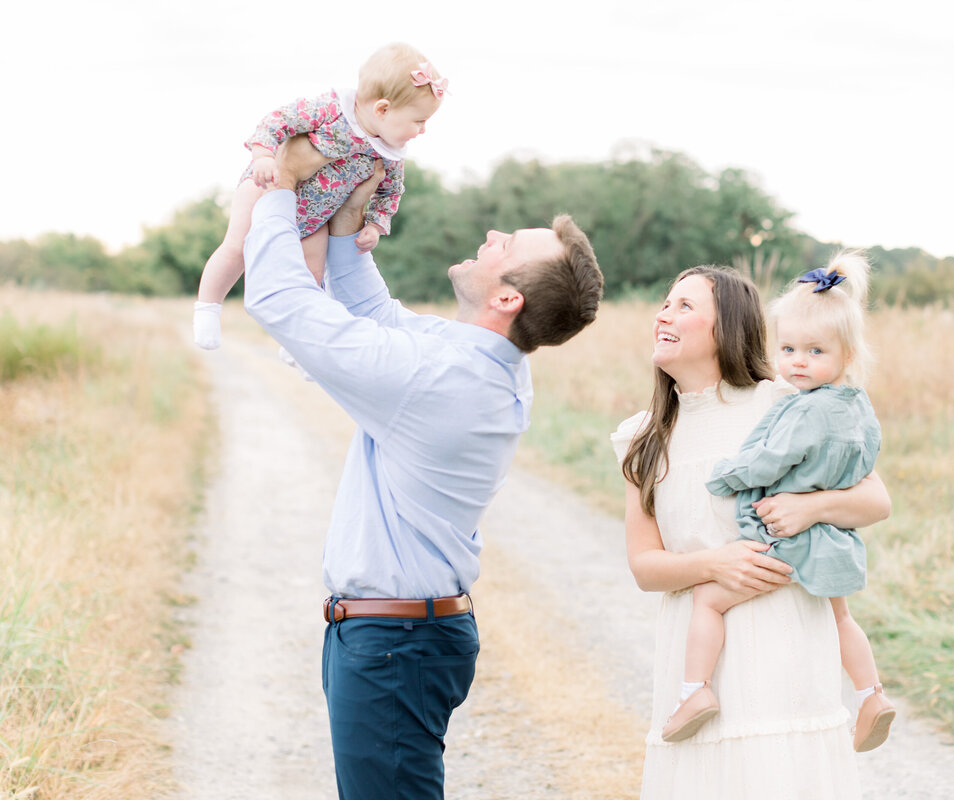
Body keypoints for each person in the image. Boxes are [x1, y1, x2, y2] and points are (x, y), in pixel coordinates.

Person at [241, 138, 603, 800]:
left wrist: (280, 190)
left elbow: (279, 301)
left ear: (508, 298)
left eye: (506, 246)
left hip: (393, 642)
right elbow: (377, 318)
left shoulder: (443, 378)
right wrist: (347, 230)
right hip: (397, 636)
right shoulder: (475, 363)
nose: (491, 234)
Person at [612, 265, 890, 799]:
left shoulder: (785, 403)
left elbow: (876, 500)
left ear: (728, 327)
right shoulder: (640, 437)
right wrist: (714, 564)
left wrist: (811, 508)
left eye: (684, 305)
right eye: (665, 303)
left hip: (784, 640)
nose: (664, 314)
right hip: (698, 653)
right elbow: (645, 567)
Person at [194, 41, 447, 350]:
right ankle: (207, 308)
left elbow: (390, 191)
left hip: (318, 217)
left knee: (312, 278)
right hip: (268, 185)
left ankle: (297, 345)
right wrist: (263, 155)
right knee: (237, 249)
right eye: (419, 121)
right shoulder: (331, 109)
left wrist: (375, 225)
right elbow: (278, 120)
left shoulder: (390, 152)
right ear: (382, 109)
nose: (422, 131)